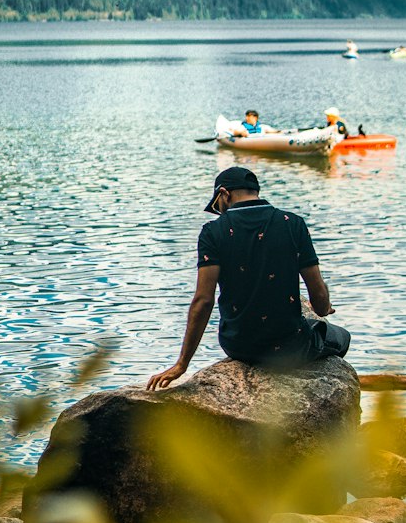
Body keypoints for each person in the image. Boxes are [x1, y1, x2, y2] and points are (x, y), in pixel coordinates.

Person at [147, 166, 351, 389]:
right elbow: (319, 300)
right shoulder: (293, 223)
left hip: (238, 346)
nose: (219, 212)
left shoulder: (212, 232)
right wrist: (325, 306)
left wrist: (181, 364)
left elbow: (203, 300)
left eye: (217, 206)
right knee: (341, 336)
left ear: (224, 194)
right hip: (291, 347)